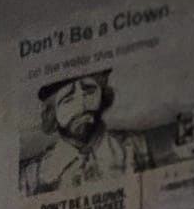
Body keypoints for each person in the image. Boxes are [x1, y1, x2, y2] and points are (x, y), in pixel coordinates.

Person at [20, 68, 154, 195]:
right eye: (68, 100)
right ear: (52, 114)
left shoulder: (135, 145)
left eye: (89, 92)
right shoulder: (32, 174)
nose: (81, 106)